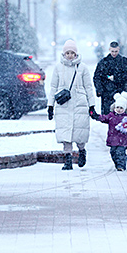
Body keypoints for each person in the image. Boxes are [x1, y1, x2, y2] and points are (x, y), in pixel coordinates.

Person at [47, 39, 98, 170]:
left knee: (79, 134)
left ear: (76, 54)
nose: (70, 55)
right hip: (63, 105)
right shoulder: (58, 68)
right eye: (67, 53)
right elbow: (53, 87)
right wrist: (50, 105)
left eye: (72, 53)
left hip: (80, 104)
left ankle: (82, 151)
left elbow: (88, 87)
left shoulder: (82, 68)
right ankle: (68, 160)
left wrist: (91, 105)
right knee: (65, 134)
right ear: (64, 54)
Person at [91, 92, 127, 171]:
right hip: (113, 139)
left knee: (120, 152)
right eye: (117, 107)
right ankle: (117, 163)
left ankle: (121, 165)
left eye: (121, 108)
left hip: (123, 140)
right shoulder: (111, 116)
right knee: (113, 152)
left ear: (125, 109)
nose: (119, 109)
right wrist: (96, 116)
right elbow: (104, 118)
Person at [93, 41, 127, 115]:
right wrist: (99, 89)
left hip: (120, 92)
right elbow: (97, 77)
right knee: (108, 117)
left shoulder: (124, 61)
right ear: (109, 49)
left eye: (116, 51)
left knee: (120, 116)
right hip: (107, 93)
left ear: (119, 50)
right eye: (112, 51)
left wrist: (115, 78)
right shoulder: (103, 62)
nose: (114, 53)